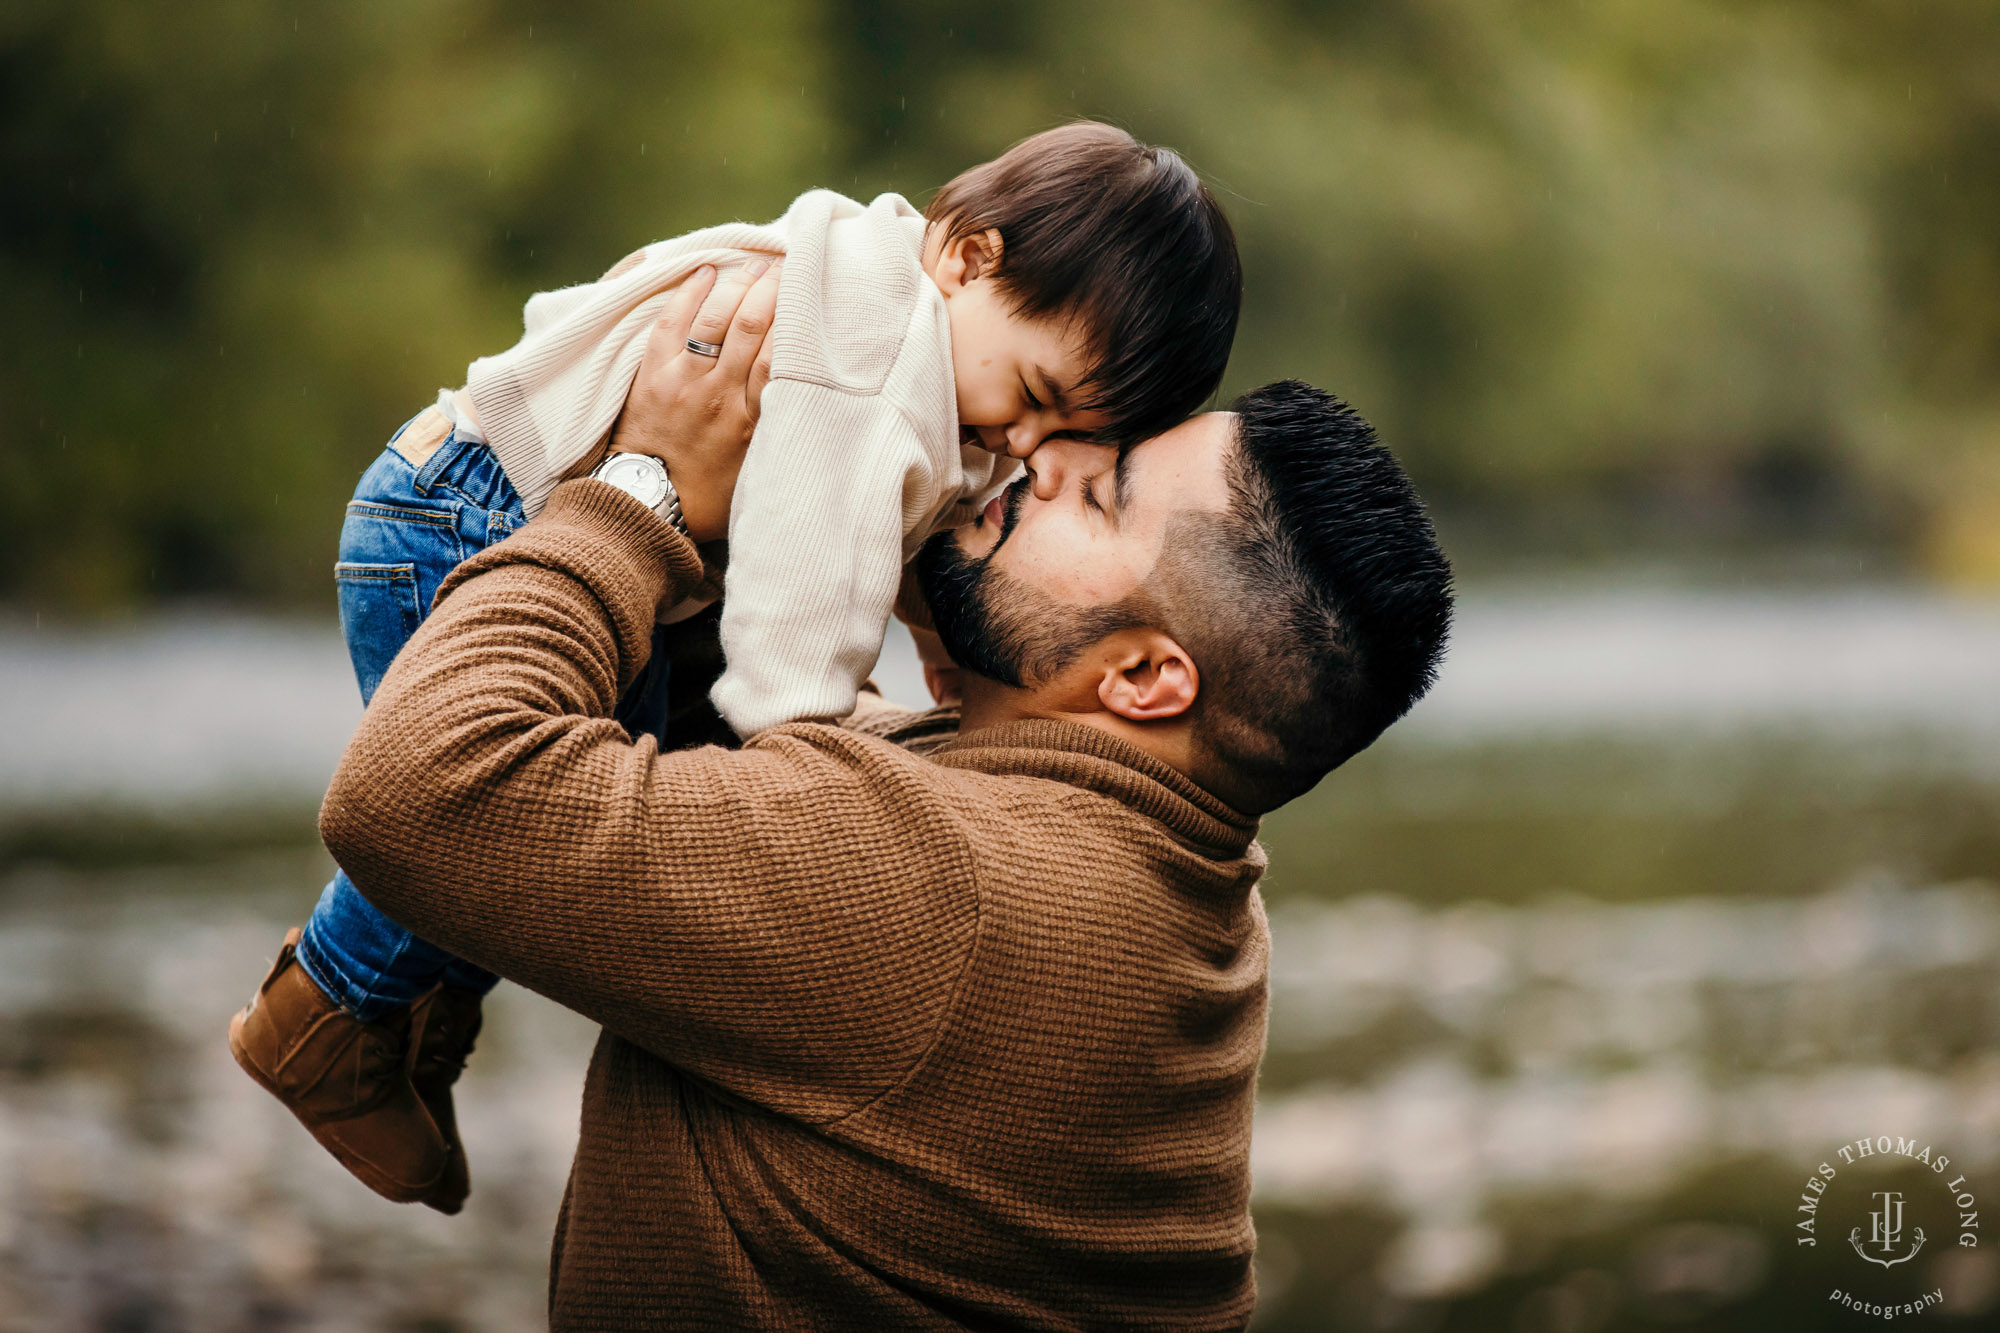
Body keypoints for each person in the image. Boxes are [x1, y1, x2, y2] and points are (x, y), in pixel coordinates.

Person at [287, 265, 1451, 1326]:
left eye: (1102, 496)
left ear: (1146, 677)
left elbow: (414, 790)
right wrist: (813, 506)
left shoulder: (943, 890)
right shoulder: (1171, 881)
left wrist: (636, 486)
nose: (1044, 458)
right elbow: (761, 783)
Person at [227, 121, 1243, 1214]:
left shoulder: (900, 305)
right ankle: (324, 1018)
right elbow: (800, 600)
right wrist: (803, 762)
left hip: (450, 488)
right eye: (1036, 396)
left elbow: (889, 517)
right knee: (497, 816)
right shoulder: (876, 366)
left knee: (554, 814)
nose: (1024, 441)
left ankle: (407, 1024)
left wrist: (942, 645)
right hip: (473, 523)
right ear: (968, 257)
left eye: (1062, 434)